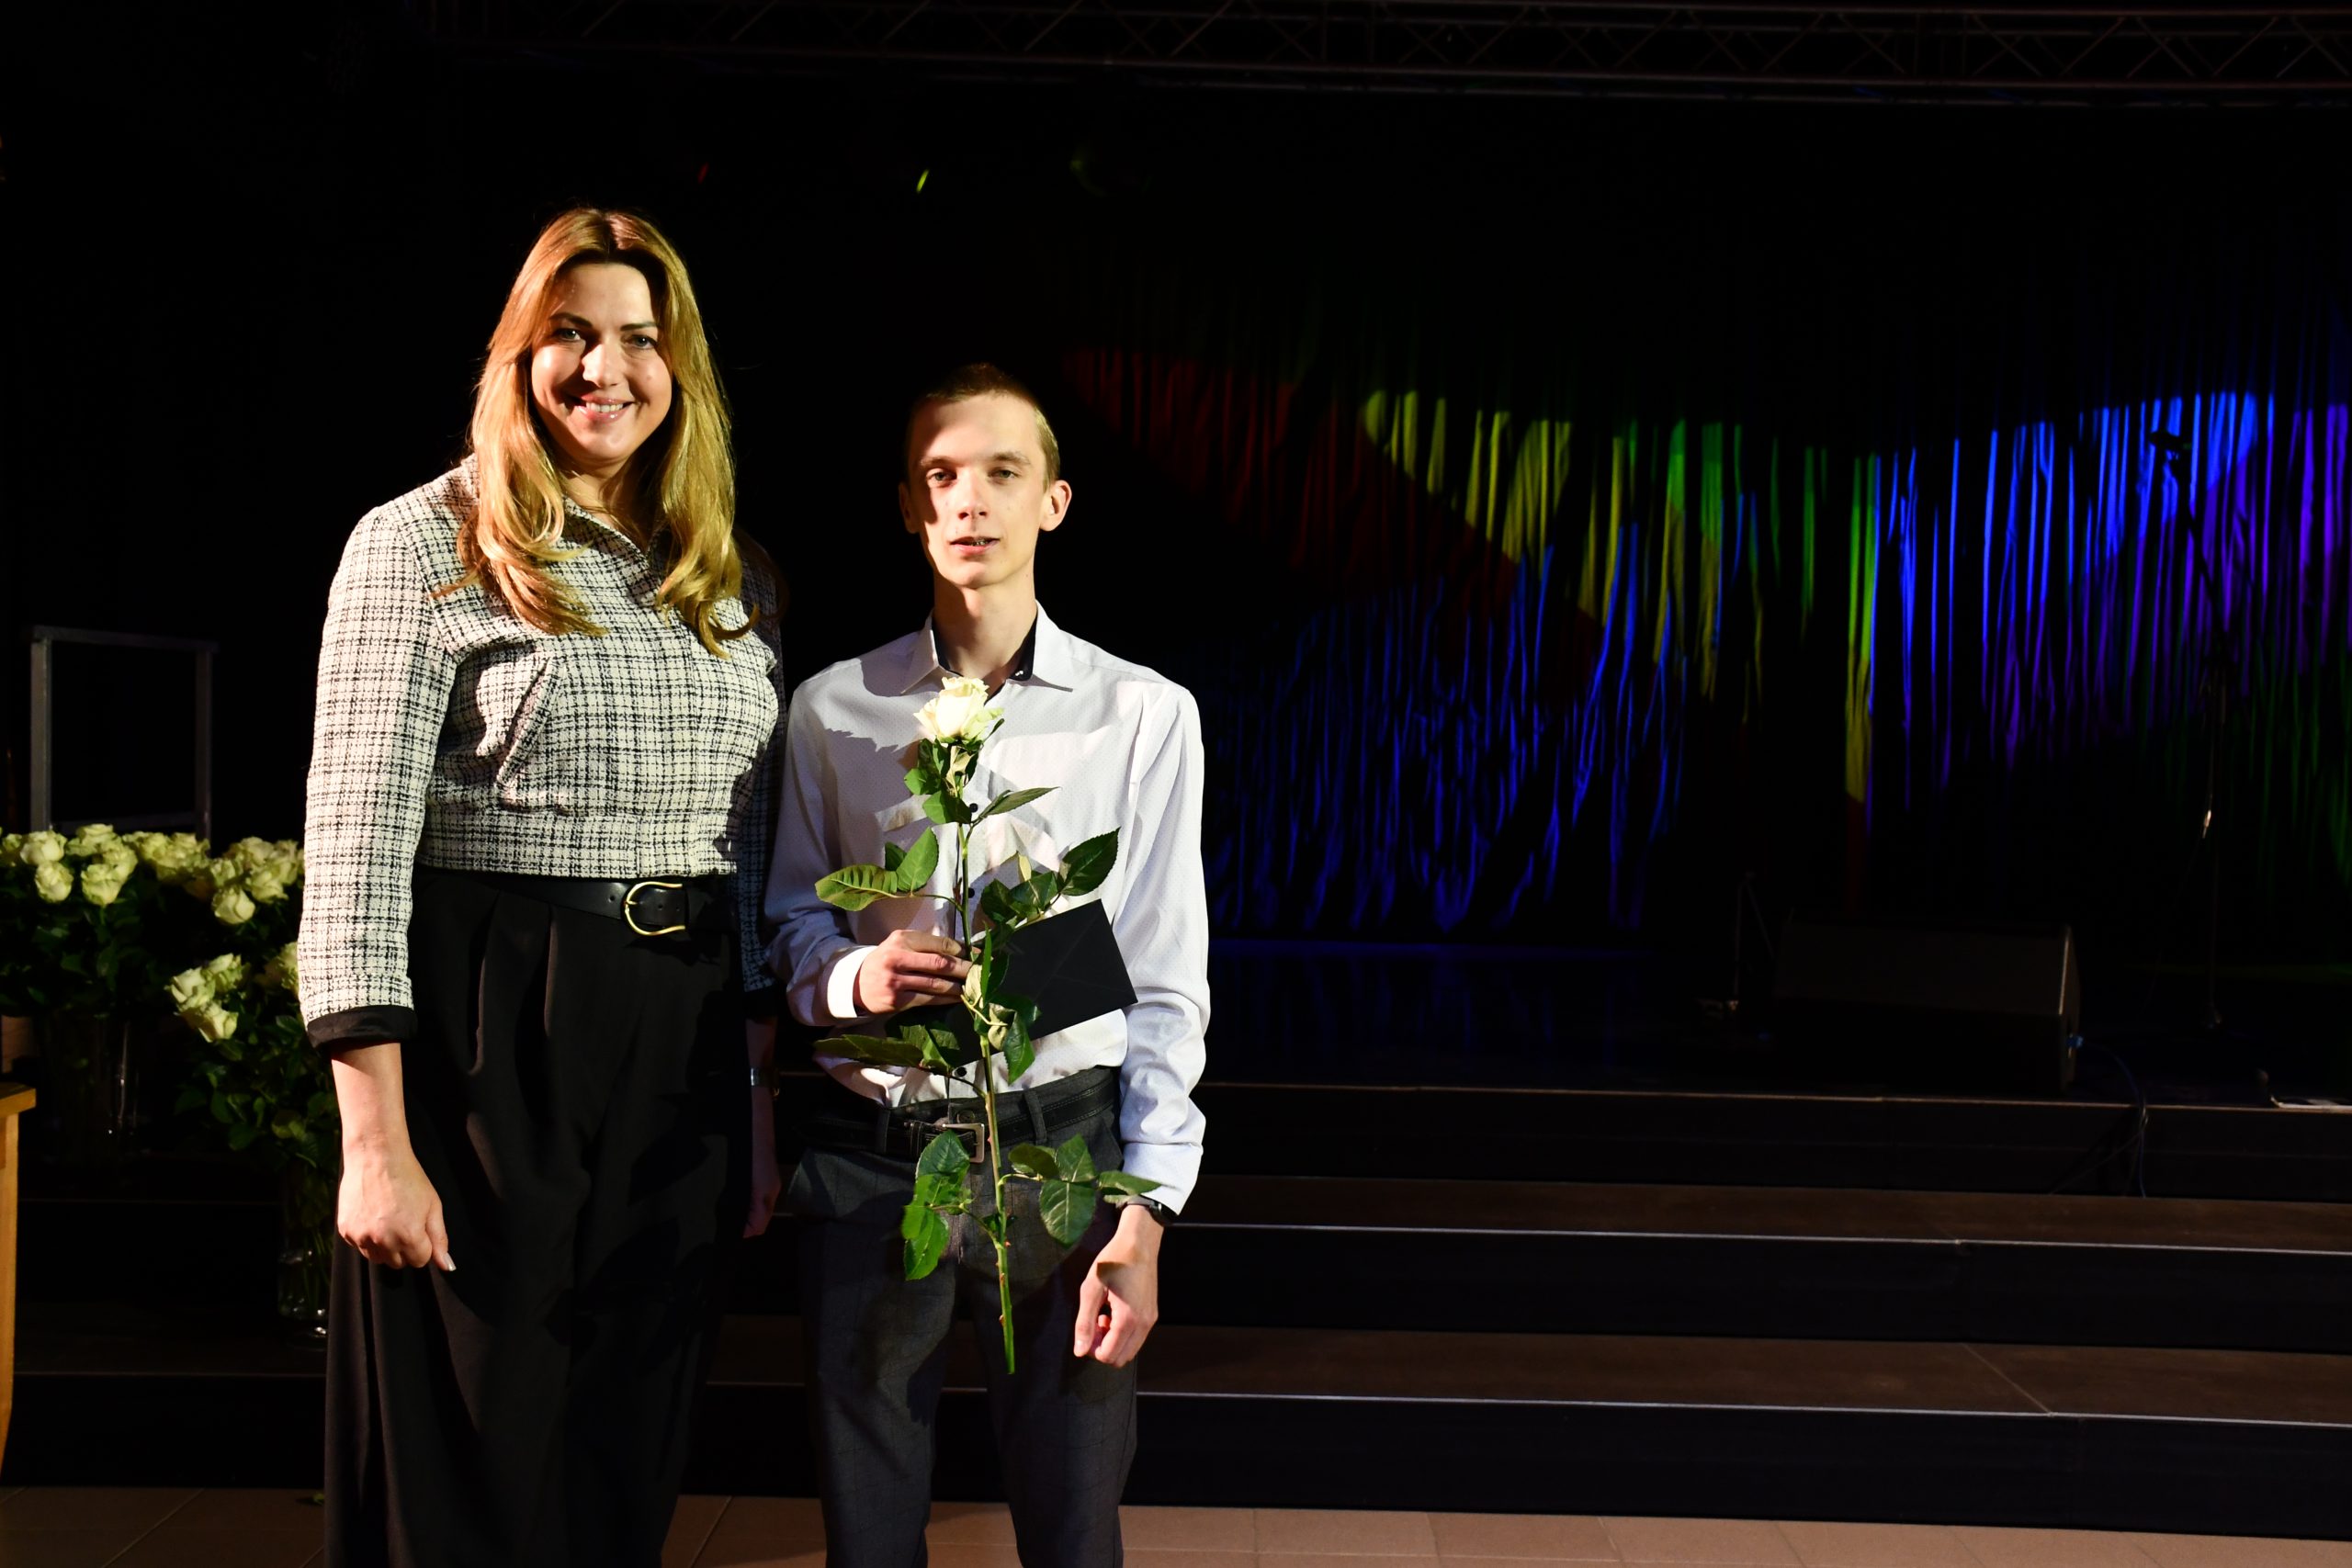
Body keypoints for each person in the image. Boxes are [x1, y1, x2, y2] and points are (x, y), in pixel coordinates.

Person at [297, 206, 787, 1568]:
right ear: (518, 355)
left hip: (683, 1030)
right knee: (473, 1447)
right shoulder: (422, 542)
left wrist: (753, 1100)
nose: (604, 368)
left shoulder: (726, 570)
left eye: (639, 338)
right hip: (493, 1029)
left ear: (680, 368)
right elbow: (353, 850)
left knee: (627, 1445)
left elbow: (749, 850)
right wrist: (374, 1145)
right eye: (570, 334)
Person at [764, 363, 1210, 1568]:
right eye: (942, 476)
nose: (971, 501)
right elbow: (791, 922)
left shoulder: (1140, 713)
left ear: (1052, 501)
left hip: (1060, 1150)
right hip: (876, 1158)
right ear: (910, 506)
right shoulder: (835, 708)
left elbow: (1162, 972)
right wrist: (857, 979)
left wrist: (1145, 1211)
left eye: (1002, 473)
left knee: (1073, 1527)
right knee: (866, 1537)